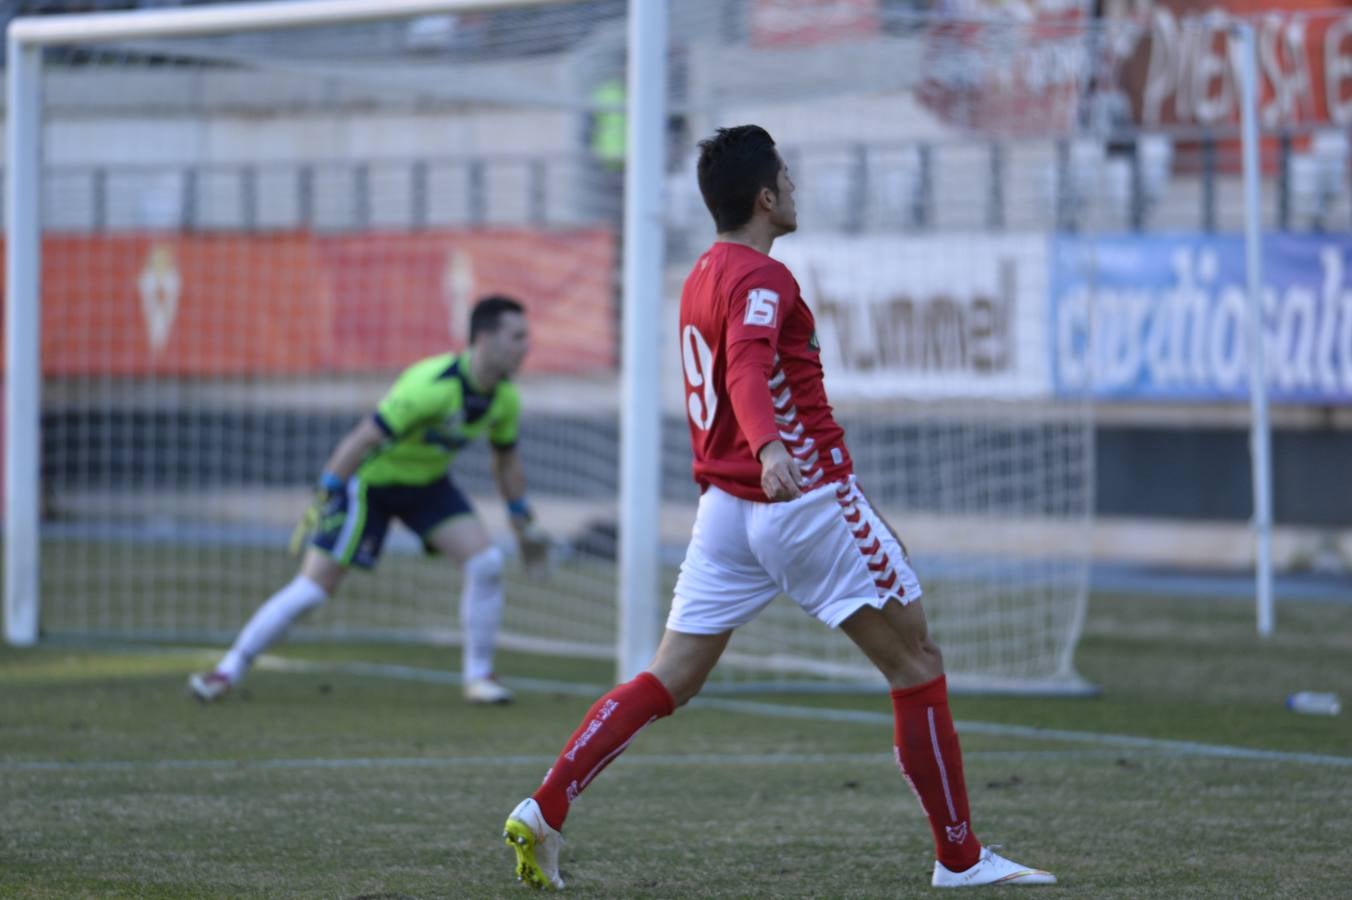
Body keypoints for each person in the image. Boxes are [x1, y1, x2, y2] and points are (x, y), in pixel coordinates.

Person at [501, 126, 1055, 890]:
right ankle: (960, 857)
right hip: (797, 498)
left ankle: (547, 803)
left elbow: (733, 370)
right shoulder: (766, 279)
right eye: (787, 178)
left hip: (725, 512)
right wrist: (769, 449)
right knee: (916, 663)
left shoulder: (701, 273)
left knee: (670, 677)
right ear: (767, 197)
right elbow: (746, 371)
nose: (794, 189)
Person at [189, 294, 548, 706]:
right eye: (517, 336)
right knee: (314, 588)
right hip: (370, 486)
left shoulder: (505, 399)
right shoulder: (431, 387)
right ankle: (228, 669)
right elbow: (361, 439)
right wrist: (327, 493)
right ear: (484, 339)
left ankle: (479, 677)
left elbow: (506, 463)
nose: (527, 346)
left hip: (427, 486)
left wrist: (523, 520)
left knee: (486, 562)